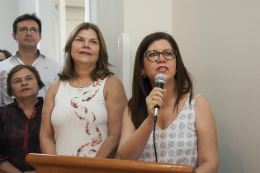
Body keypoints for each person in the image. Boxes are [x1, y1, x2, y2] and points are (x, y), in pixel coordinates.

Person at [118, 32, 219, 172]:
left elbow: (210, 162)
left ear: (176, 63)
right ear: (142, 68)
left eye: (168, 54)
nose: (161, 59)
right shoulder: (133, 106)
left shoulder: (198, 103)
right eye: (153, 54)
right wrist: (149, 120)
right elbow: (125, 157)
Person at [40, 22, 127, 158]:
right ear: (70, 47)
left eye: (93, 42)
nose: (86, 45)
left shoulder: (111, 85)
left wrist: (90, 169)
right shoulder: (55, 88)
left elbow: (116, 135)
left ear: (100, 51)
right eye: (80, 40)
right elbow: (46, 135)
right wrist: (54, 169)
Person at [0, 13, 60, 107]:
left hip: (45, 119)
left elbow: (59, 101)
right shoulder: (2, 67)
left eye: (33, 30)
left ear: (40, 37)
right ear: (14, 36)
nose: (28, 33)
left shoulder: (54, 67)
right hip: (10, 120)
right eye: (23, 29)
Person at [0, 65, 44, 173]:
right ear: (11, 91)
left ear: (38, 85)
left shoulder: (51, 112)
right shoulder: (2, 113)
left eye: (29, 78)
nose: (24, 83)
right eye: (17, 81)